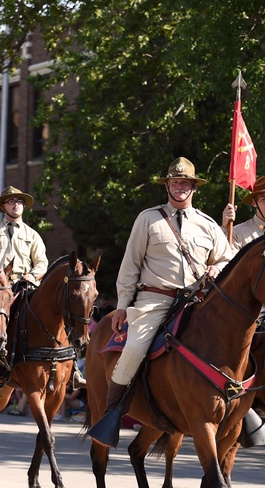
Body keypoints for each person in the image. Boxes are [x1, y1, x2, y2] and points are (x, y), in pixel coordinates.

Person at [90, 157, 231, 446]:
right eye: (175, 182)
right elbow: (130, 265)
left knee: (234, 342)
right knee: (135, 348)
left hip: (197, 300)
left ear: (194, 188)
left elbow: (228, 258)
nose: (180, 187)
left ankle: (243, 408)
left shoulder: (208, 224)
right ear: (167, 185)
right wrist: (122, 306)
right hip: (155, 299)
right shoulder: (148, 218)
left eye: (186, 183)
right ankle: (112, 412)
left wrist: (218, 267)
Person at [0, 186, 48, 287]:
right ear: (2, 207)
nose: (16, 204)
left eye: (20, 201)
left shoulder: (33, 234)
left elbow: (42, 263)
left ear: (24, 205)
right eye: (11, 201)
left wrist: (33, 276)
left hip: (24, 286)